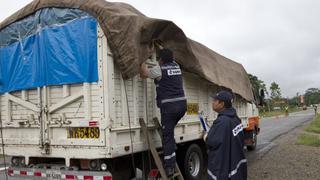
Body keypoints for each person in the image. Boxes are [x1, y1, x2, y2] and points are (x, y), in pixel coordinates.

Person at [140, 48, 187, 177]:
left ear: (161, 60)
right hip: (182, 106)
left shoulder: (160, 70)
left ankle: (169, 167)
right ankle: (172, 146)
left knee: (167, 137)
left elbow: (144, 74)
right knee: (169, 134)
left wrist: (142, 60)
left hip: (170, 109)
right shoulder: (176, 66)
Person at [204, 90, 247, 180]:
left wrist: (205, 136)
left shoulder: (222, 121)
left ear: (222, 104)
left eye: (215, 100)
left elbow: (211, 142)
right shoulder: (236, 118)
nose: (212, 102)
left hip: (224, 169)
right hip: (236, 167)